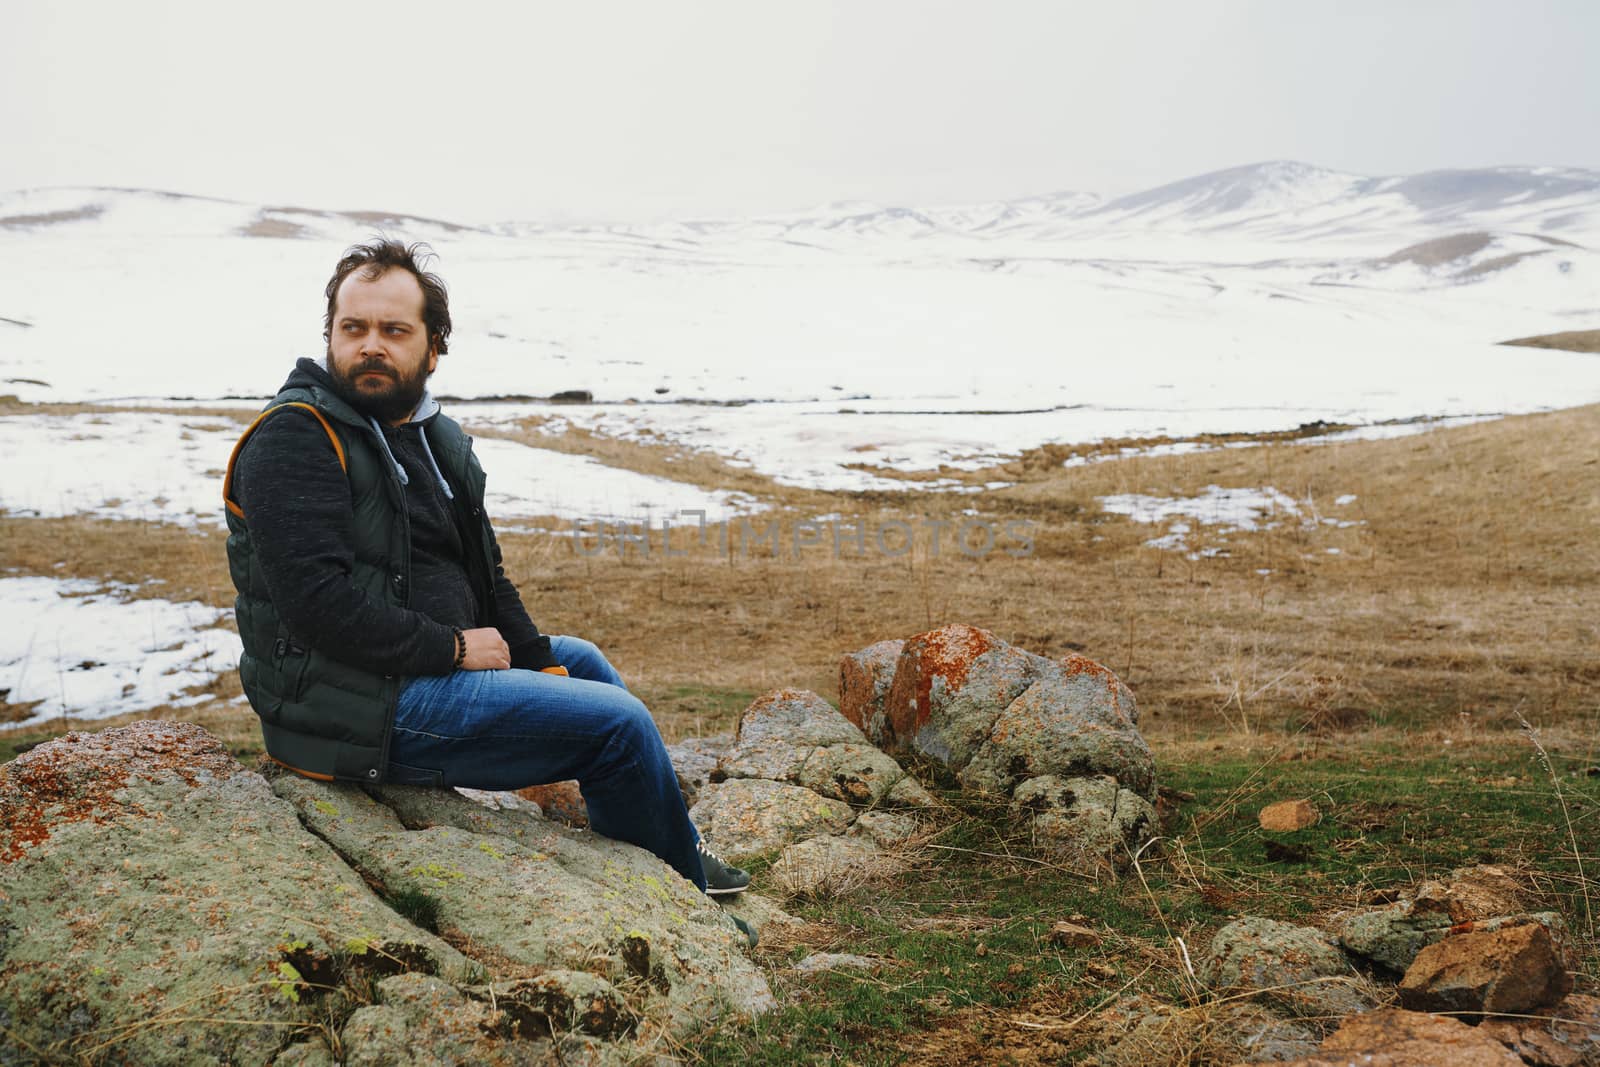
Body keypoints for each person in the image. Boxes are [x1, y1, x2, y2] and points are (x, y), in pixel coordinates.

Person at [222, 239, 751, 924]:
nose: (371, 346)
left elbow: (486, 577)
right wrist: (451, 648)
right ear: (330, 336)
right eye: (353, 329)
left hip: (412, 675)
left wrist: (536, 661)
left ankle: (669, 847)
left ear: (433, 346)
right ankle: (689, 909)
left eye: (394, 330)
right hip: (352, 706)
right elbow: (316, 609)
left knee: (579, 660)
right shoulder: (296, 439)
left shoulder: (435, 439)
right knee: (619, 725)